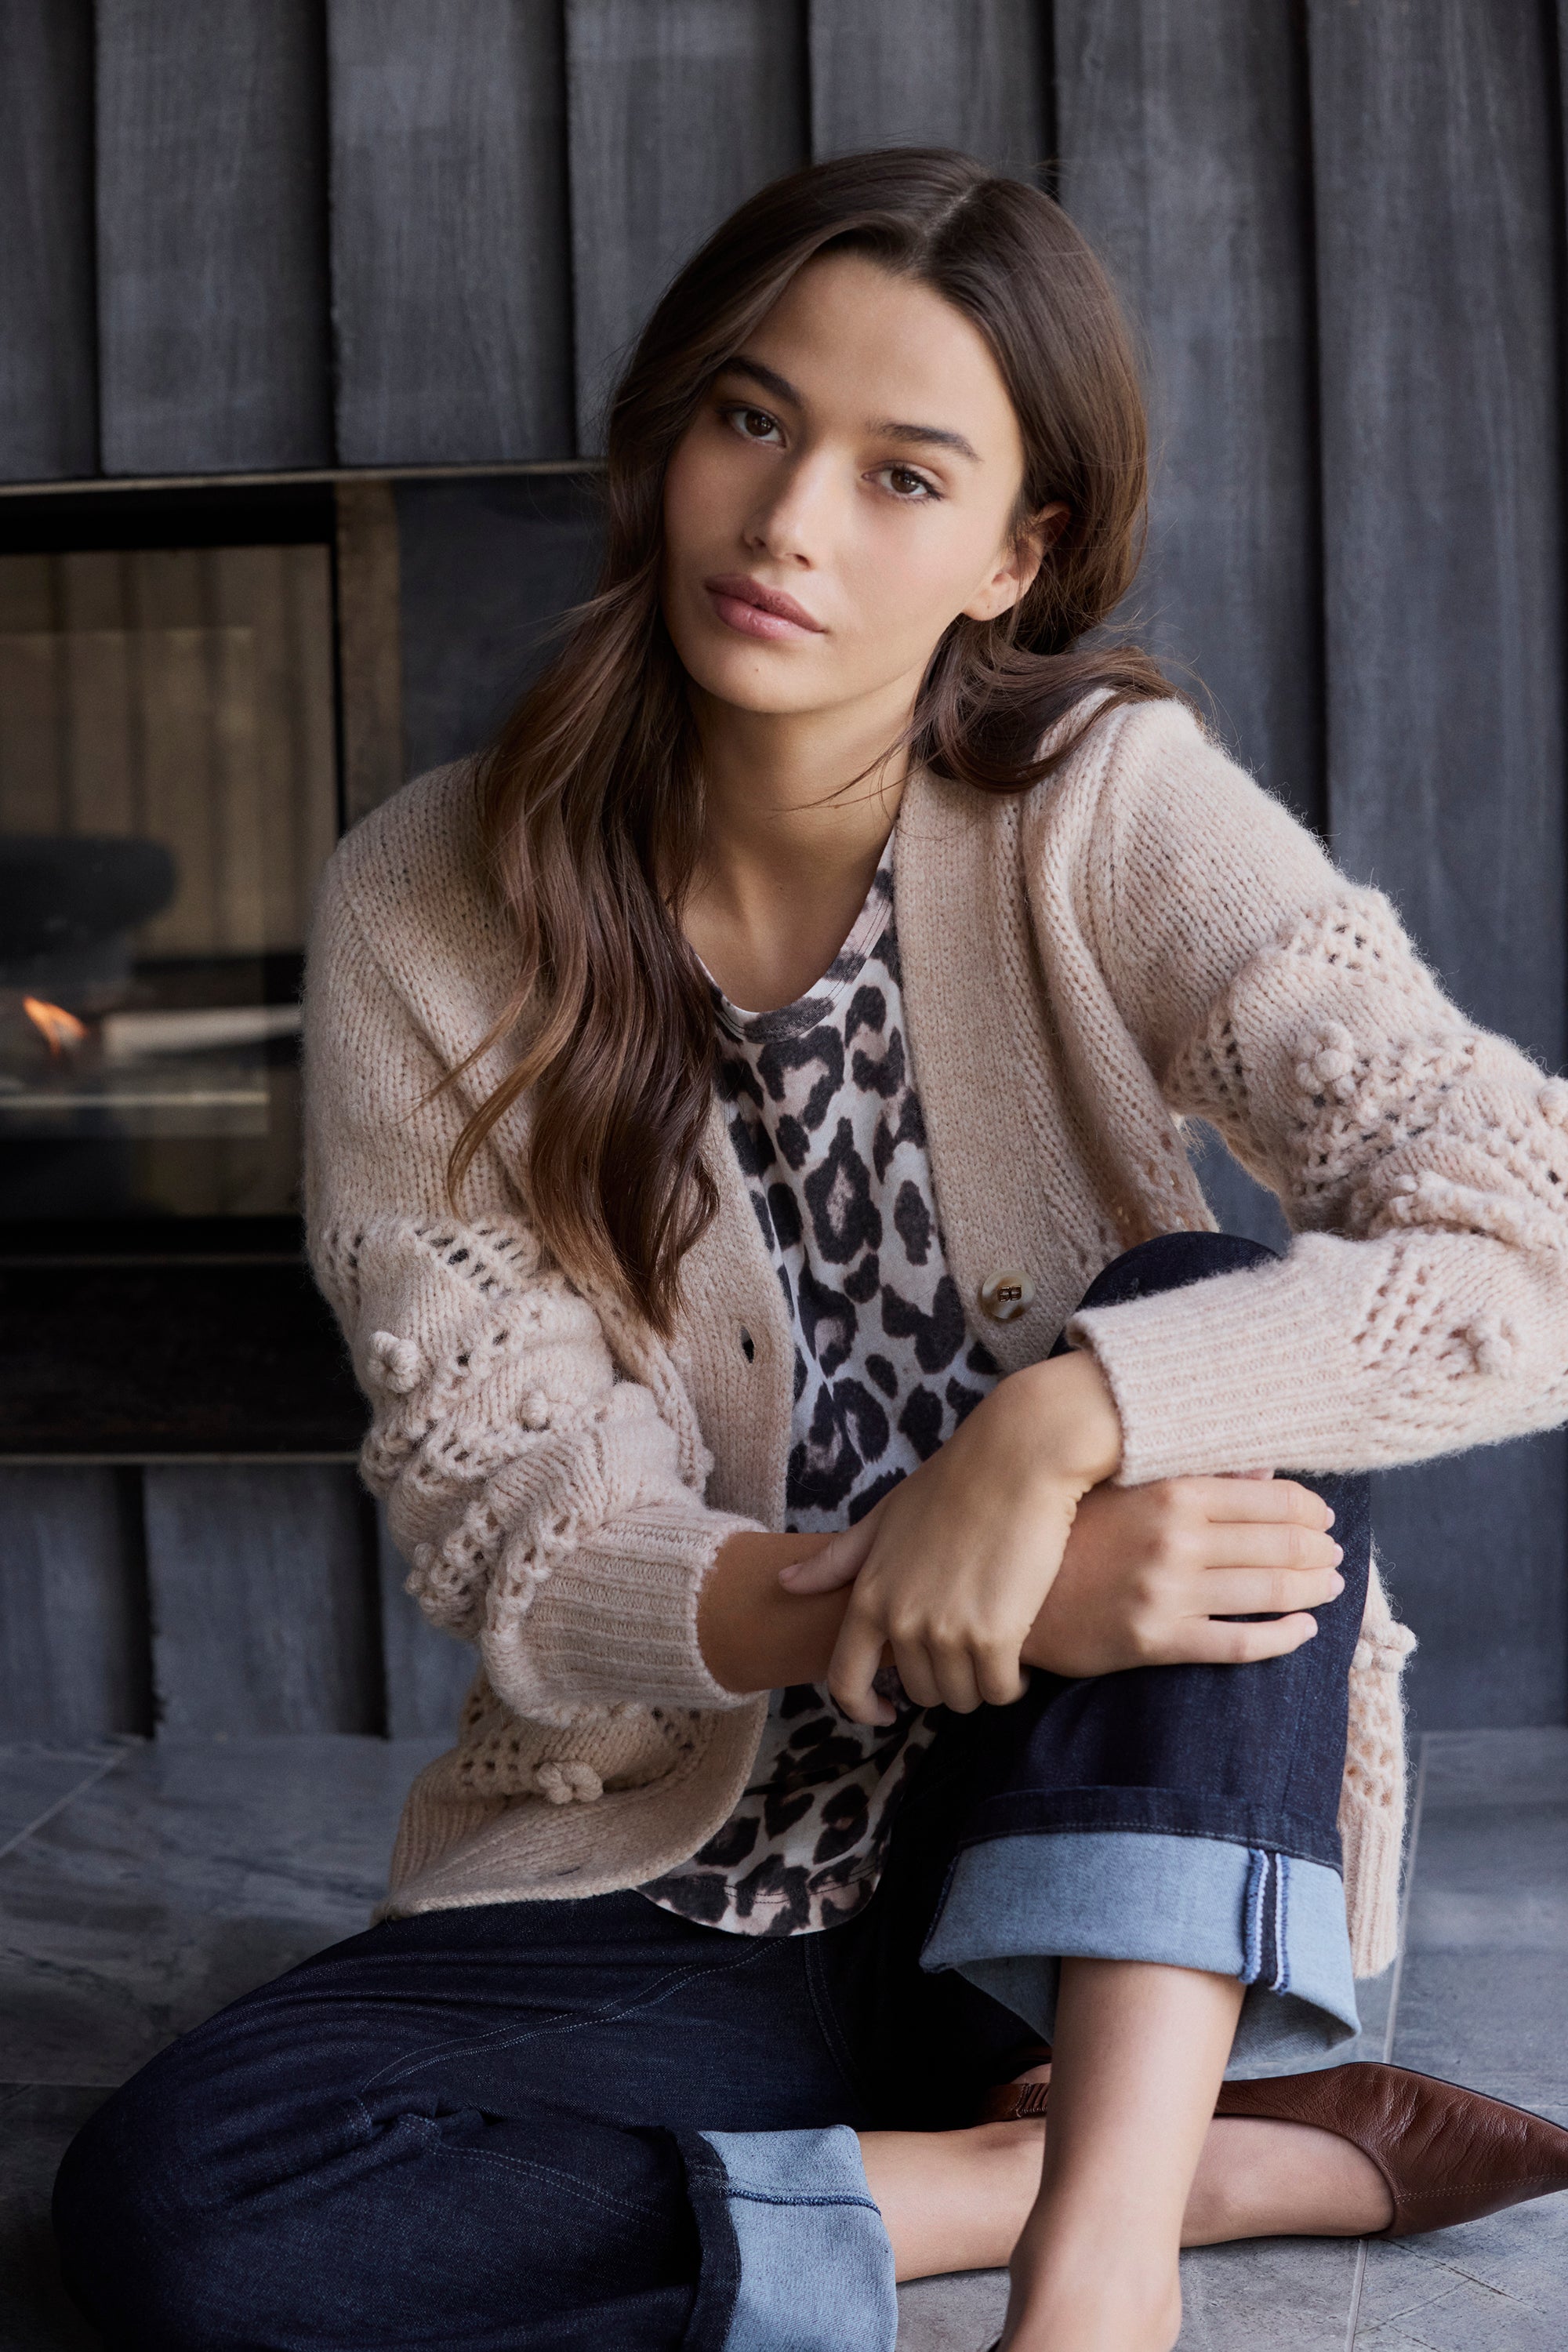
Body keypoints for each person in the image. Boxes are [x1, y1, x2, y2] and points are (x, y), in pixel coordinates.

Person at [54, 148, 1568, 2352]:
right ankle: (1011, 2179)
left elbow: (1524, 1236)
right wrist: (905, 1591)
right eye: (752, 421)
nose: (788, 524)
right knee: (180, 2224)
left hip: (1075, 1888)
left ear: (1012, 553)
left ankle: (1099, 2253)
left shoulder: (1105, 814)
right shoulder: (430, 905)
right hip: (667, 1880)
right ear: (667, 438)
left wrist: (1058, 1433)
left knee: (1203, 1337)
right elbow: (513, 1522)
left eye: (901, 472)